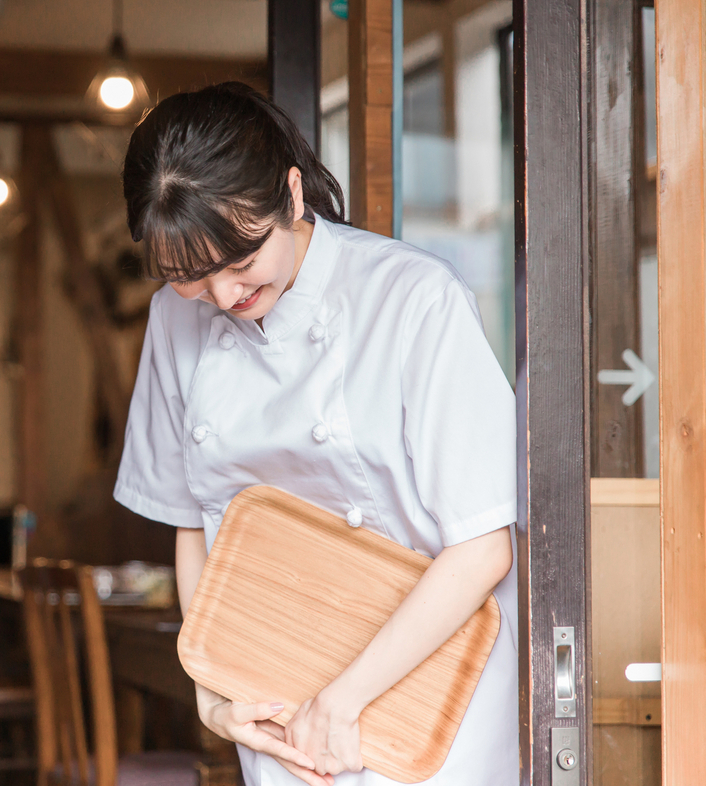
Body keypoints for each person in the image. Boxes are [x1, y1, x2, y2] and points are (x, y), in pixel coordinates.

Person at [112, 82, 518, 786]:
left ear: (292, 195)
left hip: (427, 689)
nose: (224, 298)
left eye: (240, 263)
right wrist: (215, 695)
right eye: (190, 278)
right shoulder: (172, 324)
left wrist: (344, 699)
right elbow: (192, 522)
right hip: (274, 692)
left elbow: (483, 547)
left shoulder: (413, 300)